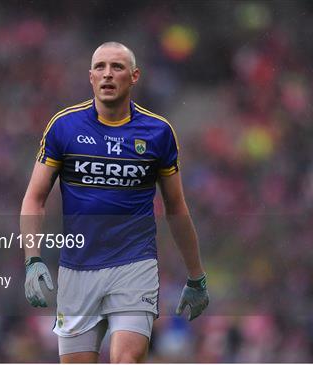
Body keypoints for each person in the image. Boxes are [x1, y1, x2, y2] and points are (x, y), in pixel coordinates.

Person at [21, 42, 208, 363]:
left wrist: (196, 275)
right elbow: (34, 198)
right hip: (77, 270)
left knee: (127, 360)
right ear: (90, 76)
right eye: (100, 67)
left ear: (134, 76)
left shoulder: (158, 132)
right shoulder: (63, 127)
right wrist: (32, 259)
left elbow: (176, 207)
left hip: (134, 265)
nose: (108, 74)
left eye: (117, 67)